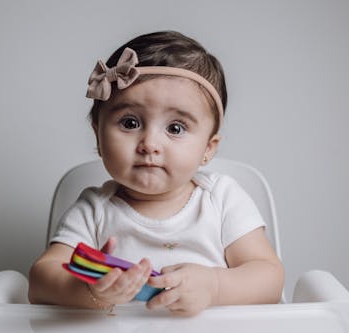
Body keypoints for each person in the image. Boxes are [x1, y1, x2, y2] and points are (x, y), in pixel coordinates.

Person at [28, 31, 284, 316]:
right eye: (130, 122)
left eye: (175, 128)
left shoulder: (222, 199)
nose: (149, 144)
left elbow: (269, 277)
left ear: (208, 149)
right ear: (97, 136)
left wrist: (214, 286)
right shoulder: (94, 210)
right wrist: (91, 293)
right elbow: (41, 281)